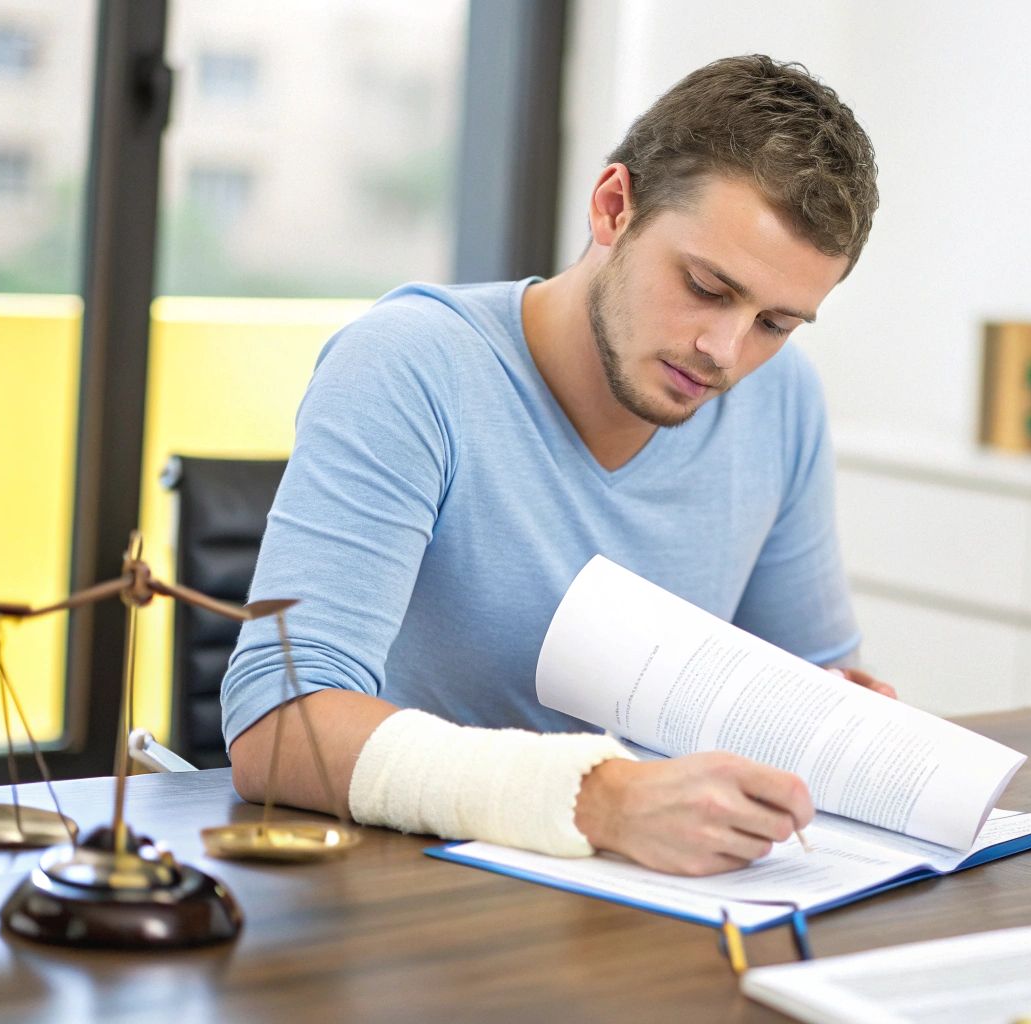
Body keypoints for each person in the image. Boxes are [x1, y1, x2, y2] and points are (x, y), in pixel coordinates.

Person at [220, 55, 893, 878]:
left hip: (662, 903)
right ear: (615, 207)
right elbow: (277, 723)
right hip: (413, 898)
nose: (725, 352)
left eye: (775, 323)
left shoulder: (780, 398)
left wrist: (842, 725)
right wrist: (603, 800)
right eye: (707, 286)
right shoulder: (410, 365)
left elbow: (806, 682)